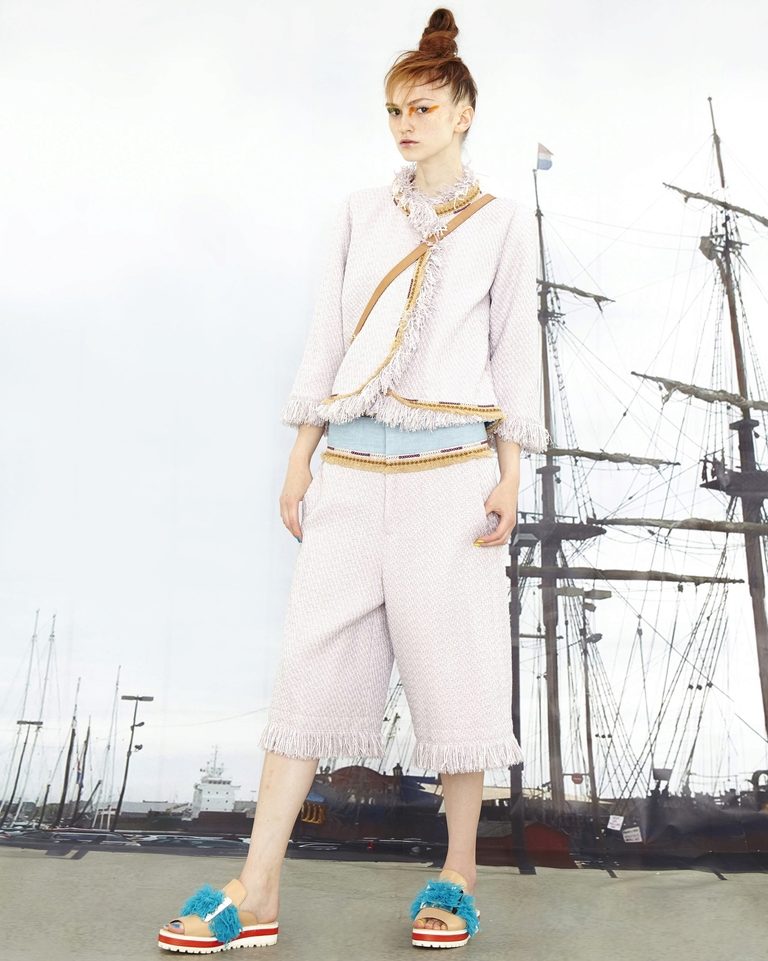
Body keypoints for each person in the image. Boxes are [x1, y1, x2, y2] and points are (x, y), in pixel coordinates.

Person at [157, 6, 548, 954]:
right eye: (393, 110)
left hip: (452, 481)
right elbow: (327, 338)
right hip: (351, 472)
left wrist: (512, 475)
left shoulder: (503, 224)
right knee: (306, 673)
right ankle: (257, 887)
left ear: (462, 113)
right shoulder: (355, 214)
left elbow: (514, 354)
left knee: (455, 678)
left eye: (422, 108)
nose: (404, 124)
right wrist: (301, 456)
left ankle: (457, 875)